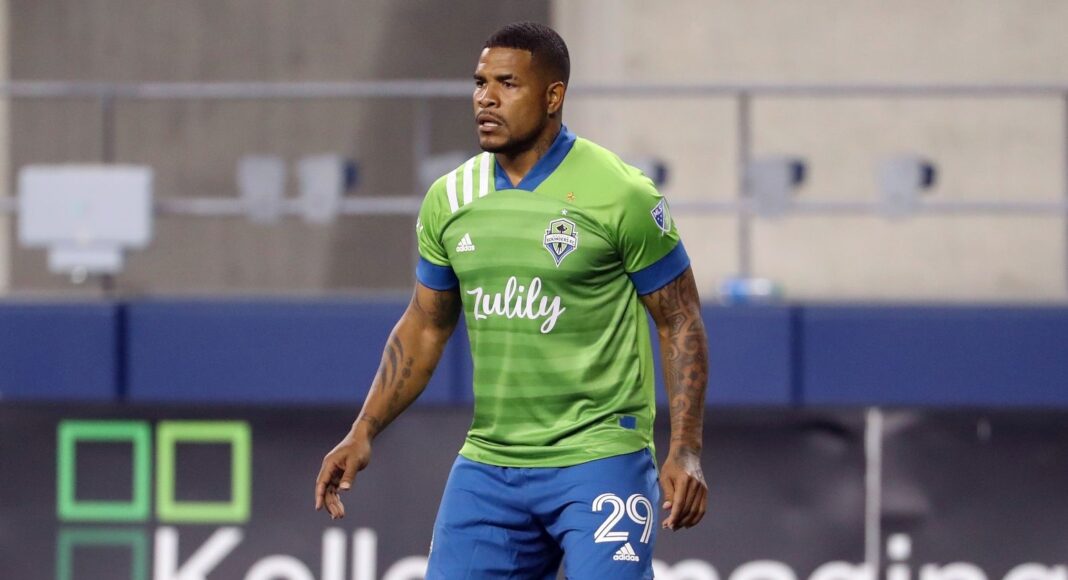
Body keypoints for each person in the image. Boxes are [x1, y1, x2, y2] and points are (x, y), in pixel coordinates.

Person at [315, 21, 709, 579]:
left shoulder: (622, 194)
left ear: (553, 96)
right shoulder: (450, 198)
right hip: (492, 463)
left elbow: (680, 320)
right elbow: (425, 326)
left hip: (599, 458)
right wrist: (364, 429)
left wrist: (685, 448)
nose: (486, 98)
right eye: (480, 83)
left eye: (507, 83)